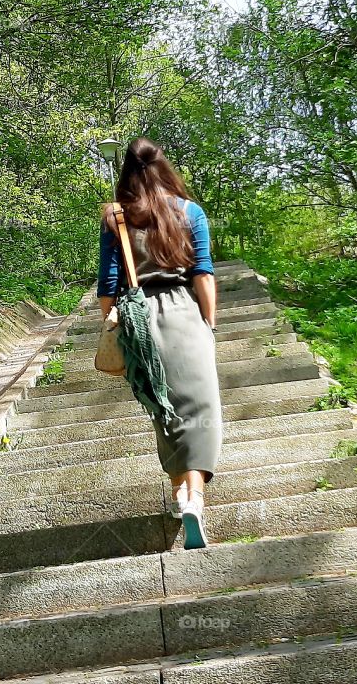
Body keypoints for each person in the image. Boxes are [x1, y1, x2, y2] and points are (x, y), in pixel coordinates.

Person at [97, 137, 221, 549]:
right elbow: (202, 274)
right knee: (201, 408)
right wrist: (209, 323)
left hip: (140, 321)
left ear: (126, 174)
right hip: (186, 312)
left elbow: (108, 288)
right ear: (164, 167)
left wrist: (118, 330)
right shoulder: (191, 212)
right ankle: (195, 496)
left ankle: (176, 494)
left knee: (163, 407)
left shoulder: (116, 218)